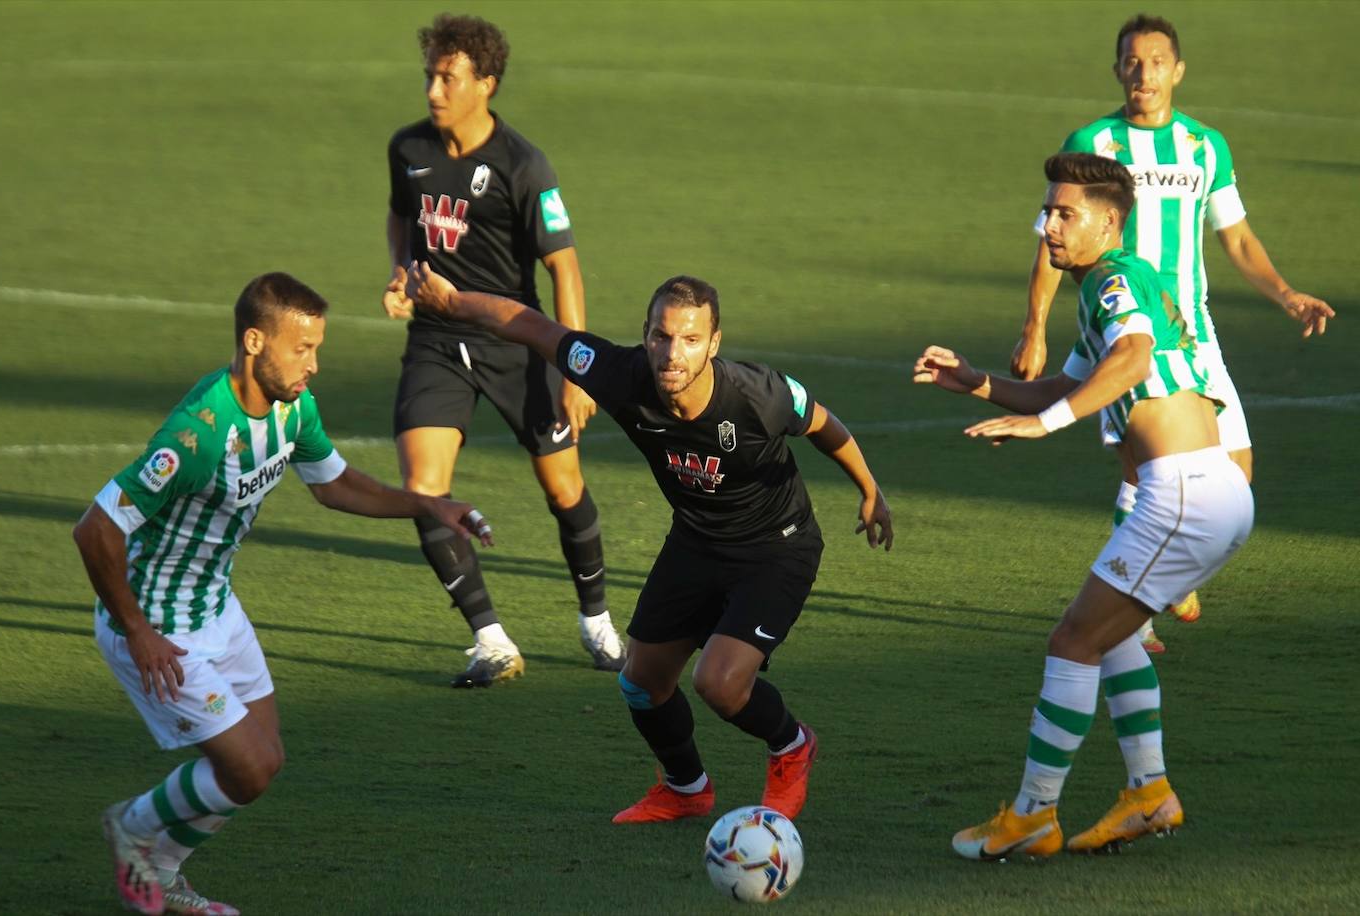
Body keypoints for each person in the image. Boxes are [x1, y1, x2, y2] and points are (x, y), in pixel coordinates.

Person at [403, 265, 893, 823]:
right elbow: (533, 326)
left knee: (719, 683)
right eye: (662, 336)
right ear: (645, 334)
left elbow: (825, 425)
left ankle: (792, 746)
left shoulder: (758, 393)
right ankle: (686, 788)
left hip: (775, 548)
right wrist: (452, 302)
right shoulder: (619, 373)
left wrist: (869, 490)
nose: (672, 353)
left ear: (714, 343)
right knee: (640, 682)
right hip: (696, 541)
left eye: (690, 339)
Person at [76, 273, 492, 915]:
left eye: (316, 348)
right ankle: (132, 826)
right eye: (301, 349)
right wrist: (137, 630)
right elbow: (95, 529)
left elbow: (334, 484)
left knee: (264, 763)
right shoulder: (196, 436)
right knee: (243, 767)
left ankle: (162, 870)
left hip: (217, 606)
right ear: (254, 342)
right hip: (159, 625)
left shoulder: (293, 409)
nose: (313, 365)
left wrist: (429, 505)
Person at [917, 153, 1253, 859]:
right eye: (1048, 211)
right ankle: (1148, 794)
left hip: (1183, 494)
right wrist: (976, 382)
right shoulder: (1111, 285)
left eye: (1066, 214)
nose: (1049, 226)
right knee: (1115, 638)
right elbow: (1066, 385)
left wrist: (1043, 427)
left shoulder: (1113, 279)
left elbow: (1132, 358)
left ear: (1109, 223)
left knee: (1073, 641)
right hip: (1207, 488)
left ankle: (1033, 816)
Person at [1008, 13, 1332, 653]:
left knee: (1236, 471)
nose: (1144, 73)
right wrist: (1035, 327)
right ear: (1117, 69)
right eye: (1132, 61)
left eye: (1156, 61)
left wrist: (1287, 293)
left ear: (1177, 71)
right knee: (1144, 467)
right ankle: (1136, 618)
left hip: (1192, 330)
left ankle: (1166, 579)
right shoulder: (1094, 142)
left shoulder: (1205, 147)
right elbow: (1051, 237)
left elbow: (1237, 237)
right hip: (1120, 325)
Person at [381, 13, 621, 687]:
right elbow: (400, 215)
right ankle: (491, 641)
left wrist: (575, 369)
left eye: (447, 78)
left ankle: (597, 622)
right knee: (424, 491)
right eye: (429, 75)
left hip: (517, 340)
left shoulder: (523, 165)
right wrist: (400, 274)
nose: (433, 90)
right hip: (436, 339)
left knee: (564, 487)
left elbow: (564, 268)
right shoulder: (408, 148)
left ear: (485, 83)